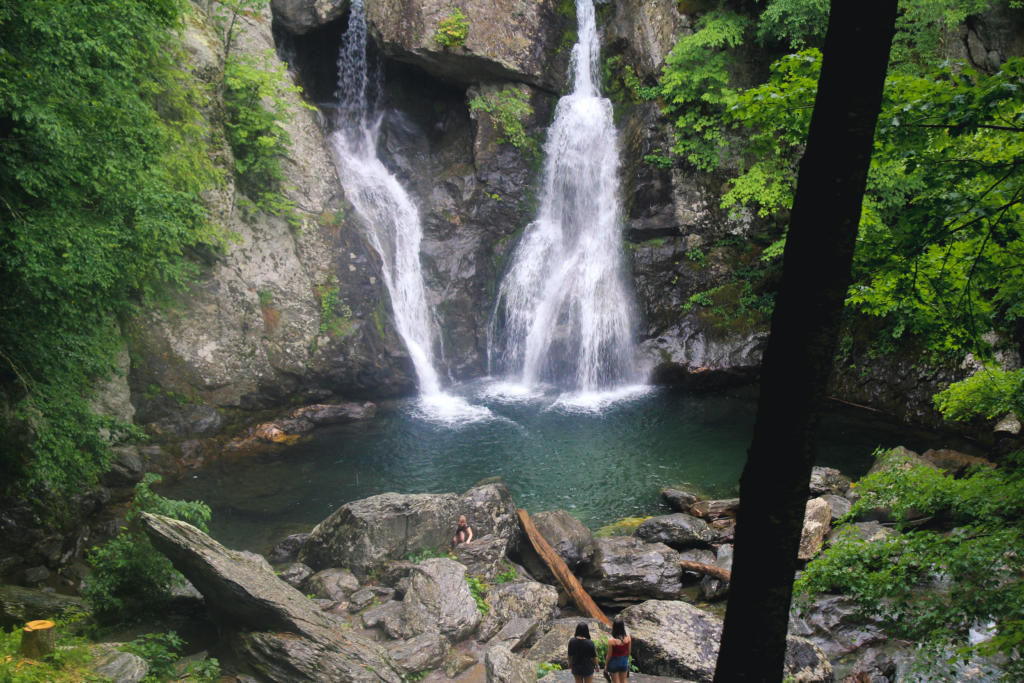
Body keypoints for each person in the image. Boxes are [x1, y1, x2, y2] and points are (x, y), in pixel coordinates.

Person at [604, 617, 631, 683]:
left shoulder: (611, 641)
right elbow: (629, 652)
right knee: (624, 680)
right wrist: (627, 660)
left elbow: (609, 655)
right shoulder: (628, 637)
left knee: (616, 681)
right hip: (624, 661)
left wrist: (606, 665)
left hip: (614, 662)